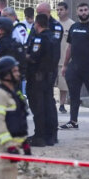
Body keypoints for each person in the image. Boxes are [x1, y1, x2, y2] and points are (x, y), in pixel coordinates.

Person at [59, 3, 89, 131]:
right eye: (81, 10)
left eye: (85, 10)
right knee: (74, 95)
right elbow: (69, 47)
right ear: (77, 12)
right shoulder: (74, 27)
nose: (84, 12)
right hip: (74, 67)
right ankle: (73, 121)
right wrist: (65, 65)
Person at [23, 14, 59, 147]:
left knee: (38, 107)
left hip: (37, 77)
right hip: (49, 76)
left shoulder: (39, 39)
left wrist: (23, 54)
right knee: (48, 105)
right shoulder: (54, 38)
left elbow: (34, 56)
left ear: (37, 24)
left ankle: (40, 136)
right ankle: (51, 136)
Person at [54, 2, 74, 113]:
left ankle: (61, 104)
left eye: (61, 9)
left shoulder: (72, 25)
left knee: (63, 85)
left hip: (64, 60)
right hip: (53, 60)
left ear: (66, 10)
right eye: (57, 10)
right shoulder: (54, 24)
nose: (59, 12)